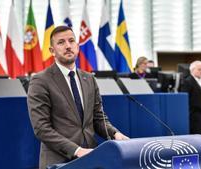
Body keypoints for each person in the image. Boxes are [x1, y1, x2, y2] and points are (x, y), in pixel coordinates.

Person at [27, 26, 129, 169]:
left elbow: (98, 118)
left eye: (71, 41)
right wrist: (77, 150)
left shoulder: (89, 79)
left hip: (91, 160)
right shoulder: (40, 80)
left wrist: (115, 133)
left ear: (77, 46)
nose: (68, 46)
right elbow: (42, 129)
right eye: (61, 42)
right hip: (59, 162)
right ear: (52, 51)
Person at [180, 60, 201, 136]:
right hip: (195, 117)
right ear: (192, 70)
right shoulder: (187, 82)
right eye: (200, 69)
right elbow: (187, 100)